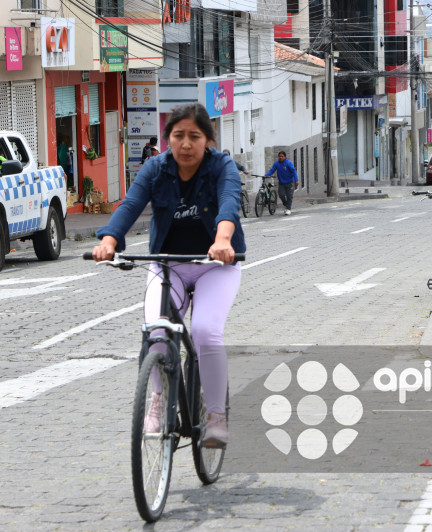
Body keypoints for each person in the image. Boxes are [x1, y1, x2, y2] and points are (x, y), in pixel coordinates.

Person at [93, 103, 245, 447]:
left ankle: (216, 416)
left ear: (208, 139)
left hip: (215, 266)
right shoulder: (155, 169)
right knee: (157, 332)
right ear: (168, 139)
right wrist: (109, 240)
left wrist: (222, 240)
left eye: (195, 136)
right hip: (167, 264)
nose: (186, 144)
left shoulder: (222, 166)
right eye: (178, 136)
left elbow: (229, 201)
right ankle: (159, 402)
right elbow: (130, 205)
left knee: (206, 332)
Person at [266, 151, 299, 215]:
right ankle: (285, 204)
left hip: (290, 182)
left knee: (289, 196)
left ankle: (288, 209)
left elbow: (294, 171)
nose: (280, 157)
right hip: (281, 182)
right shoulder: (276, 164)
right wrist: (266, 175)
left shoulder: (288, 163)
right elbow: (272, 170)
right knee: (281, 194)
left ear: (285, 157)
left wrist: (296, 180)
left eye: (282, 156)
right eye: (279, 156)